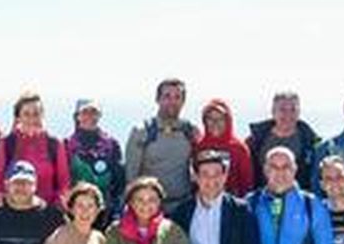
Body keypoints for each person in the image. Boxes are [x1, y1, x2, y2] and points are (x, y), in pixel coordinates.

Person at [125, 78, 199, 210]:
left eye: (177, 97)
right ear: (157, 99)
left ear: (183, 101)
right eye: (167, 96)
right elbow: (131, 178)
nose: (172, 101)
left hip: (184, 207)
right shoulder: (142, 132)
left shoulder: (190, 131)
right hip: (150, 209)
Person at [0, 92, 71, 208]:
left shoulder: (54, 144)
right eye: (26, 114)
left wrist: (56, 207)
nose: (32, 119)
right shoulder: (7, 143)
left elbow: (64, 182)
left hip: (46, 213)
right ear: (18, 117)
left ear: (42, 115)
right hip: (13, 211)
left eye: (36, 114)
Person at [245, 91, 322, 193]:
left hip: (298, 203)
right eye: (282, 109)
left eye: (293, 110)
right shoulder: (254, 141)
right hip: (262, 202)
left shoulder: (311, 142)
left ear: (299, 112)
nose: (288, 114)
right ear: (273, 112)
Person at [65, 99, 125, 222]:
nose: (89, 116)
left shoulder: (111, 144)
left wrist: (115, 208)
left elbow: (119, 180)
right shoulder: (67, 145)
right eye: (85, 112)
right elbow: (63, 180)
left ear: (99, 115)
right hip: (77, 212)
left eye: (94, 112)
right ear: (77, 116)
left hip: (104, 211)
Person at [194, 99, 253, 197]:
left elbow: (246, 183)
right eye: (210, 119)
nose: (215, 122)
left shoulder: (239, 148)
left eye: (220, 118)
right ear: (205, 121)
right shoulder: (199, 146)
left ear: (228, 121)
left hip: (232, 204)